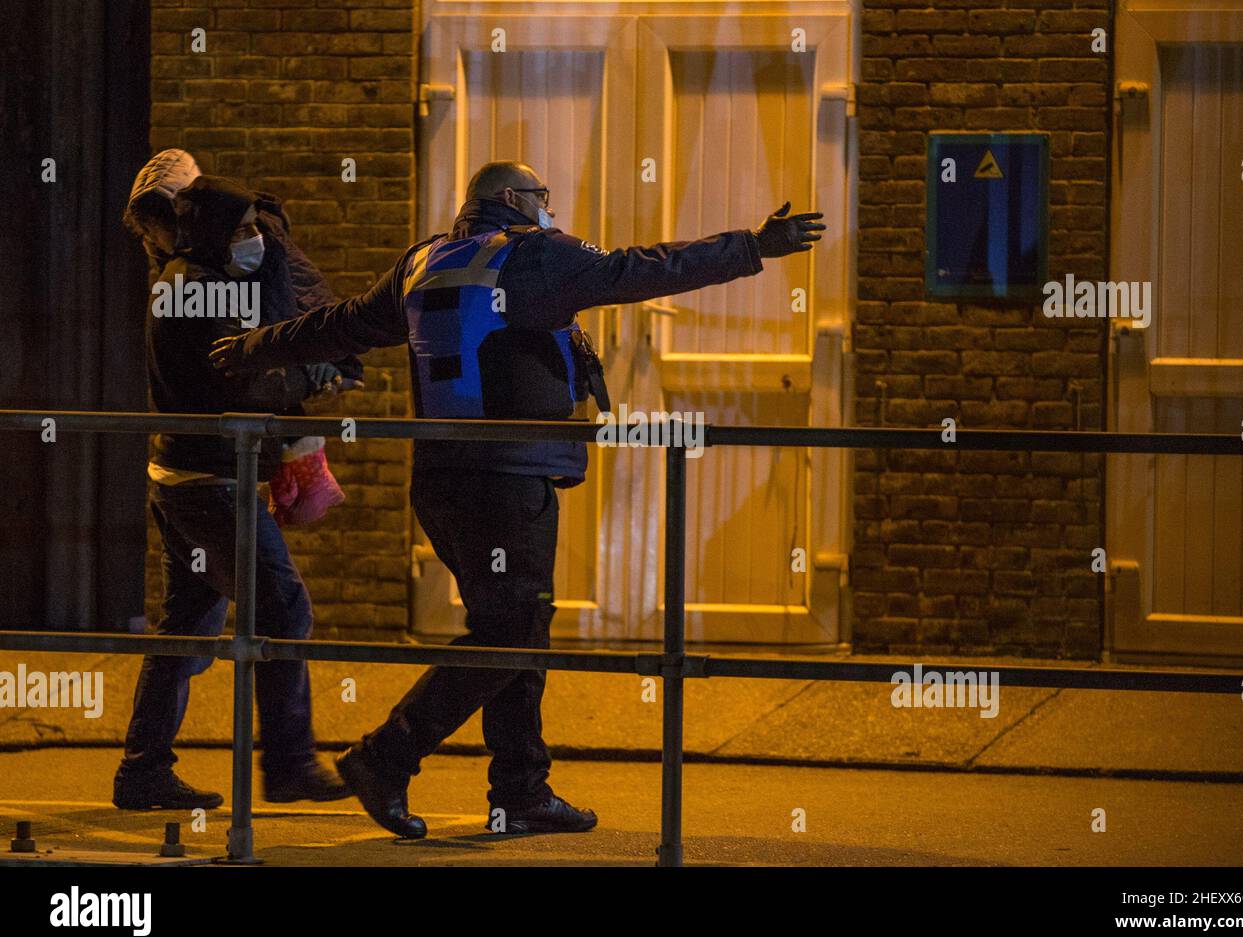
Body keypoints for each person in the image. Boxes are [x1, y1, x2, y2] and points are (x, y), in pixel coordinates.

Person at [211, 160, 825, 837]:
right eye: (542, 197)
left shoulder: (424, 262)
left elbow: (345, 323)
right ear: (512, 200)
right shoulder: (534, 257)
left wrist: (253, 348)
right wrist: (753, 246)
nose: (549, 208)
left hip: (443, 480)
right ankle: (388, 756)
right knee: (511, 627)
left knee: (516, 622)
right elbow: (641, 268)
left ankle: (520, 791)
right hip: (506, 479)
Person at [113, 174, 358, 811]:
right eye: (244, 229)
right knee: (284, 610)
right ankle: (289, 764)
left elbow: (239, 369)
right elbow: (237, 381)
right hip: (209, 483)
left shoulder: (190, 280)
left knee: (186, 628)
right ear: (214, 230)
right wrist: (308, 380)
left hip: (187, 476)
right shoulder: (196, 288)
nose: (254, 240)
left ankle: (143, 769)